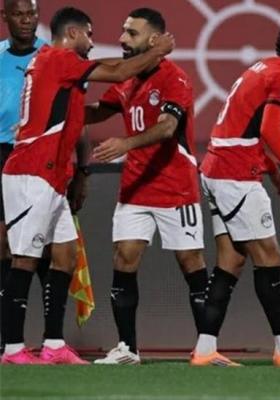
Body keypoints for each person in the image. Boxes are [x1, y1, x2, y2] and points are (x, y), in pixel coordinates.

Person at [0, 6, 174, 365]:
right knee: (25, 259)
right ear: (73, 34)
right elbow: (118, 71)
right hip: (32, 174)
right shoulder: (59, 59)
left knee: (65, 256)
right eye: (89, 35)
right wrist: (157, 51)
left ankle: (53, 344)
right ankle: (13, 348)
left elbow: (89, 94)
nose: (93, 42)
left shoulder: (49, 62)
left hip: (52, 176)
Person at [192, 18, 280, 367]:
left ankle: (205, 350)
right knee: (270, 257)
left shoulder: (264, 68)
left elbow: (247, 128)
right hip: (235, 175)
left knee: (231, 261)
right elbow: (269, 129)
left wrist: (273, 170)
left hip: (216, 168)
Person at [82, 8, 205, 366]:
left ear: (153, 40)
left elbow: (167, 128)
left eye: (131, 33)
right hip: (135, 188)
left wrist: (125, 144)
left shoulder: (175, 78)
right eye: (123, 31)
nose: (122, 38)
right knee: (125, 256)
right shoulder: (127, 78)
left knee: (191, 262)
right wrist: (58, 113)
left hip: (175, 187)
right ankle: (127, 349)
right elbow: (98, 111)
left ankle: (207, 346)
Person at [0, 0, 49, 354]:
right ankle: (8, 338)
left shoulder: (50, 56)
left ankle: (53, 340)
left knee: (47, 246)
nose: (27, 21)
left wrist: (82, 170)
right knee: (4, 245)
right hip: (3, 155)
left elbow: (73, 113)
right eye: (19, 14)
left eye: (32, 14)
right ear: (5, 17)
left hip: (42, 158)